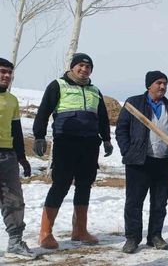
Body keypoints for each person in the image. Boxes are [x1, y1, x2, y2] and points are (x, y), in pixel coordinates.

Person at [32, 53, 113, 249]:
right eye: (81, 66)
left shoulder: (95, 90)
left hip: (90, 144)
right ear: (73, 67)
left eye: (88, 67)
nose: (84, 69)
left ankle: (80, 230)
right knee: (61, 184)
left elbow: (102, 118)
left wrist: (107, 139)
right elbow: (43, 112)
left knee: (85, 184)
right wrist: (39, 136)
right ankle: (45, 233)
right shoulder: (58, 85)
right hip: (66, 142)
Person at [115, 71, 168, 254]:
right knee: (134, 202)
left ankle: (155, 236)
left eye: (165, 83)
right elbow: (121, 129)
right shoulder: (134, 103)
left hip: (163, 162)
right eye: (158, 83)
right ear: (149, 85)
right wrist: (127, 150)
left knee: (160, 202)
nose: (162, 86)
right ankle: (132, 238)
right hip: (139, 161)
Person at [0, 58, 36, 259]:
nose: (6, 76)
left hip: (7, 155)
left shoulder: (12, 100)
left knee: (13, 200)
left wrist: (22, 157)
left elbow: (16, 130)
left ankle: (15, 243)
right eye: (2, 71)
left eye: (9, 73)